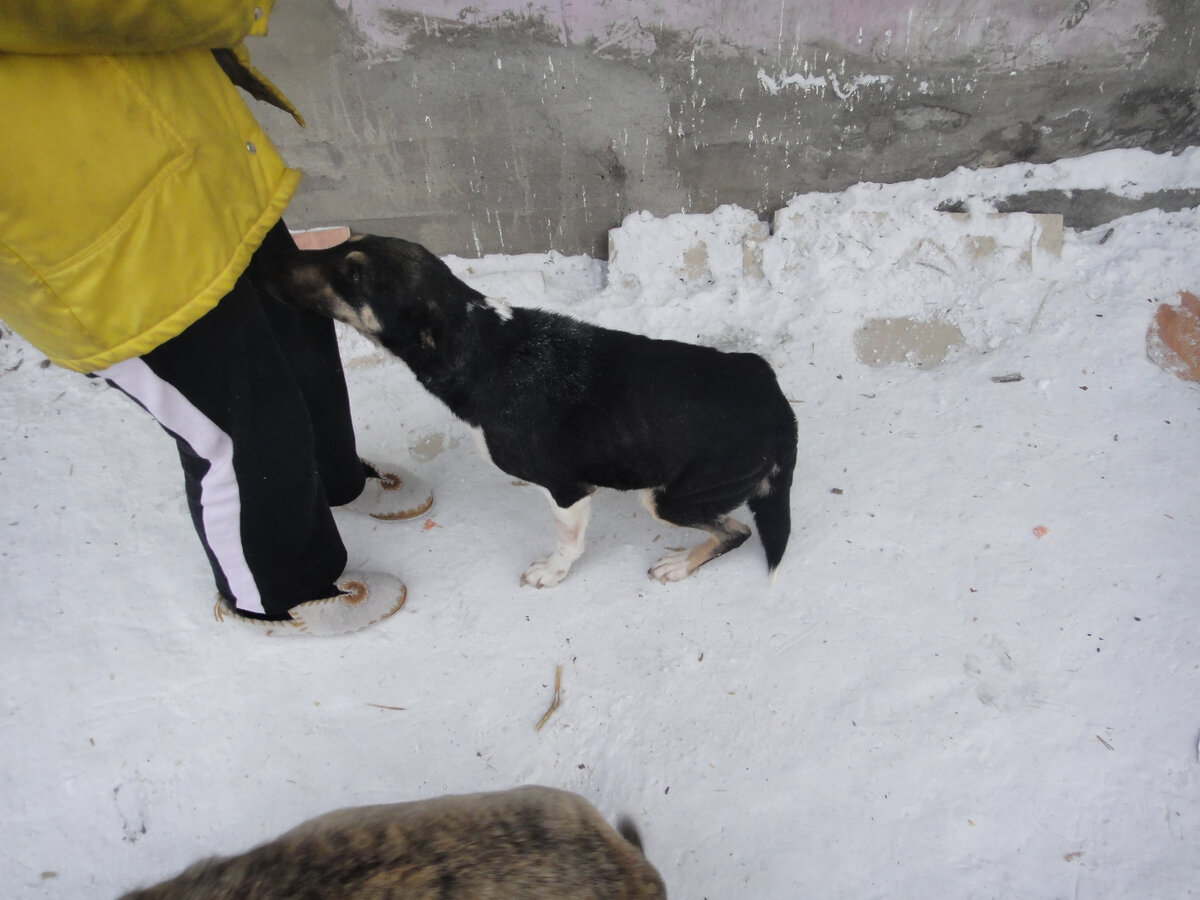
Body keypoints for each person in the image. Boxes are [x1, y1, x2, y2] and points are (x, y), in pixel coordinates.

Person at [0, 1, 431, 635]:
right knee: (238, 415)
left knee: (296, 339)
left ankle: (335, 478)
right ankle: (279, 593)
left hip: (198, 170)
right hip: (92, 235)